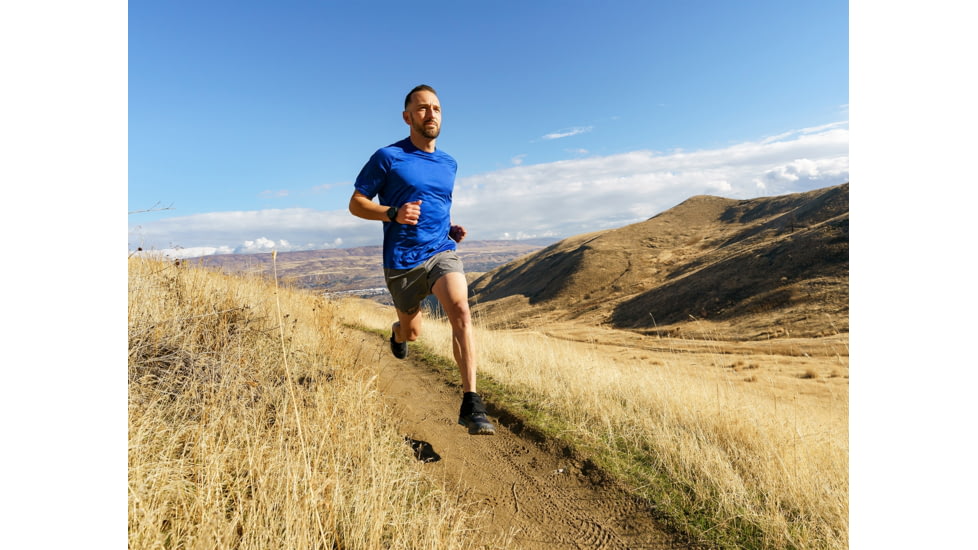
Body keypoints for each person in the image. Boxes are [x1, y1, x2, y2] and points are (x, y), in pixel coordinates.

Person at [349, 84, 495, 435]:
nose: (431, 114)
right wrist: (392, 213)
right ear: (407, 117)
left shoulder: (449, 163)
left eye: (436, 108)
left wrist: (449, 228)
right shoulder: (388, 157)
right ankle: (398, 335)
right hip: (401, 261)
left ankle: (471, 403)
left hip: (440, 252)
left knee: (460, 309)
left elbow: (438, 203)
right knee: (412, 331)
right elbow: (356, 203)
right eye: (422, 108)